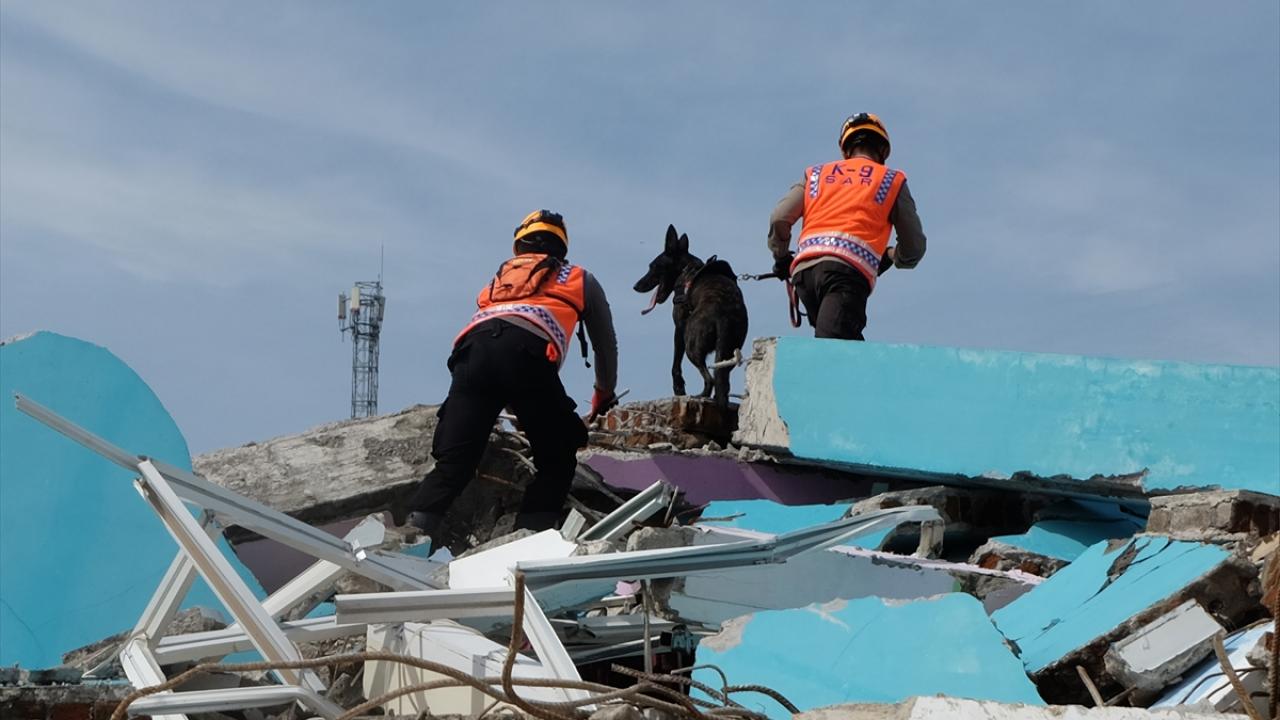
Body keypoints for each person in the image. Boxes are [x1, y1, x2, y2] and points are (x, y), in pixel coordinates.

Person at [401, 209, 619, 540]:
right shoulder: (578, 277)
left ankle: (407, 541)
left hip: (470, 355)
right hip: (526, 356)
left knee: (454, 462)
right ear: (561, 248)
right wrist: (603, 391)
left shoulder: (500, 278)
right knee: (557, 457)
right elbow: (606, 345)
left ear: (520, 247)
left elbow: (498, 347)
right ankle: (527, 543)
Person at [768, 113, 927, 340]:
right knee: (835, 349)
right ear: (883, 150)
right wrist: (891, 256)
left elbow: (779, 217)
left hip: (805, 275)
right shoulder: (890, 180)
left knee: (838, 341)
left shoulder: (816, 175)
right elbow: (914, 247)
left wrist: (781, 257)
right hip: (845, 275)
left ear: (845, 149)